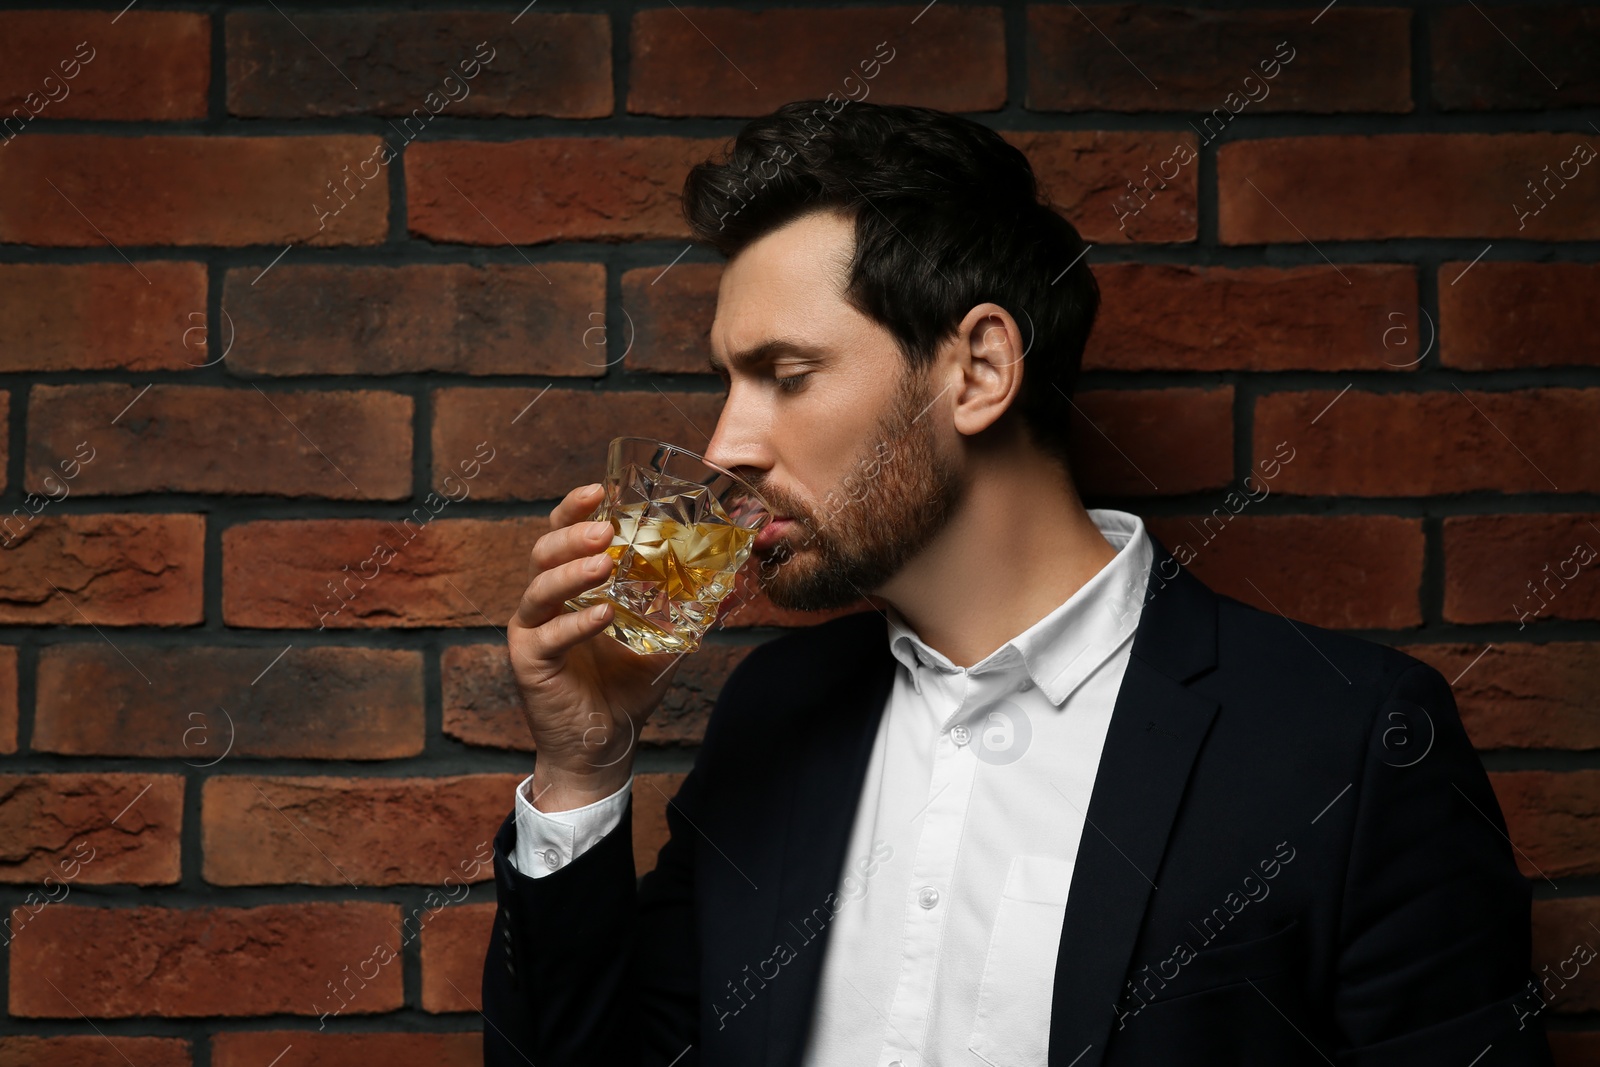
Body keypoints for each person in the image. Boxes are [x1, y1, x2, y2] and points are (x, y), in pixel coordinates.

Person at [481, 100, 1552, 1067]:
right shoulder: (775, 713)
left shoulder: (1347, 743)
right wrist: (581, 767)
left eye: (786, 375)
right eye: (726, 381)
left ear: (979, 369)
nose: (728, 444)